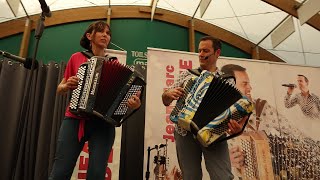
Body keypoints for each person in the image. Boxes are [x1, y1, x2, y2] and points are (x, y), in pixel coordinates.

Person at [49, 21, 141, 180]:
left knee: (97, 174)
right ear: (89, 36)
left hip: (102, 124)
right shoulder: (76, 57)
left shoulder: (114, 63)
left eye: (108, 32)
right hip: (75, 119)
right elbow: (60, 88)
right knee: (60, 172)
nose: (105, 35)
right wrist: (66, 86)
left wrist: (133, 104)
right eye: (101, 31)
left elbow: (122, 100)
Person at [161, 36, 246, 180]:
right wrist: (169, 93)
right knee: (190, 176)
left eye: (205, 50)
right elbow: (165, 100)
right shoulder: (187, 75)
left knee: (223, 176)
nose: (201, 54)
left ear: (217, 53)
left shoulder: (227, 80)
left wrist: (238, 127)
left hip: (214, 133)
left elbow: (235, 111)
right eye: (199, 50)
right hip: (184, 132)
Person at [221, 64, 319, 179]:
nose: (250, 88)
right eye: (244, 84)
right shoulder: (217, 118)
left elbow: (292, 130)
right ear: (230, 86)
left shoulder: (260, 107)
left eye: (249, 83)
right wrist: (227, 159)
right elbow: (209, 154)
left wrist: (314, 148)